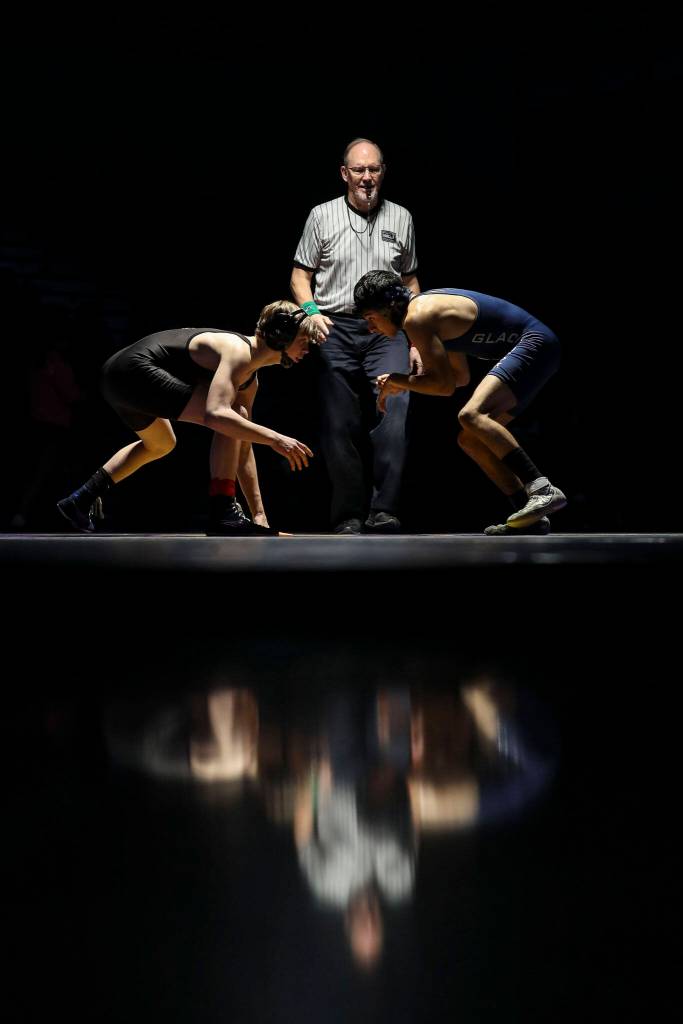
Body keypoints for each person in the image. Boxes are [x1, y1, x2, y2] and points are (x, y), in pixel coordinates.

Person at [56, 302, 319, 535]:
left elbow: (243, 443)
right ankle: (222, 511)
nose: (307, 349)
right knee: (230, 416)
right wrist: (275, 438)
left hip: (118, 376)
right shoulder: (238, 351)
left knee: (161, 444)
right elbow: (217, 415)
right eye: (303, 340)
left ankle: (81, 498)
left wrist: (259, 515)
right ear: (281, 335)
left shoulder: (250, 381)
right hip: (132, 371)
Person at [353, 271, 567, 535]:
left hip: (535, 342)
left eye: (370, 318)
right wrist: (405, 382)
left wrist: (399, 380)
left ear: (389, 307)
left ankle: (542, 489)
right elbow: (458, 378)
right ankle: (529, 515)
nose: (371, 328)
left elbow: (443, 386)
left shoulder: (417, 316)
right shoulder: (427, 314)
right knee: (470, 438)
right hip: (540, 347)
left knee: (471, 415)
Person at [290, 138, 420, 534]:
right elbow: (300, 275)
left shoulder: (401, 217)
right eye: (359, 170)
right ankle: (348, 514)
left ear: (383, 171)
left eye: (374, 169)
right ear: (345, 174)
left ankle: (385, 511)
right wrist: (311, 314)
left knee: (394, 414)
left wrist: (416, 340)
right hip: (336, 326)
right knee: (339, 423)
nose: (367, 178)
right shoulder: (321, 215)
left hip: (388, 330)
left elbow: (411, 280)